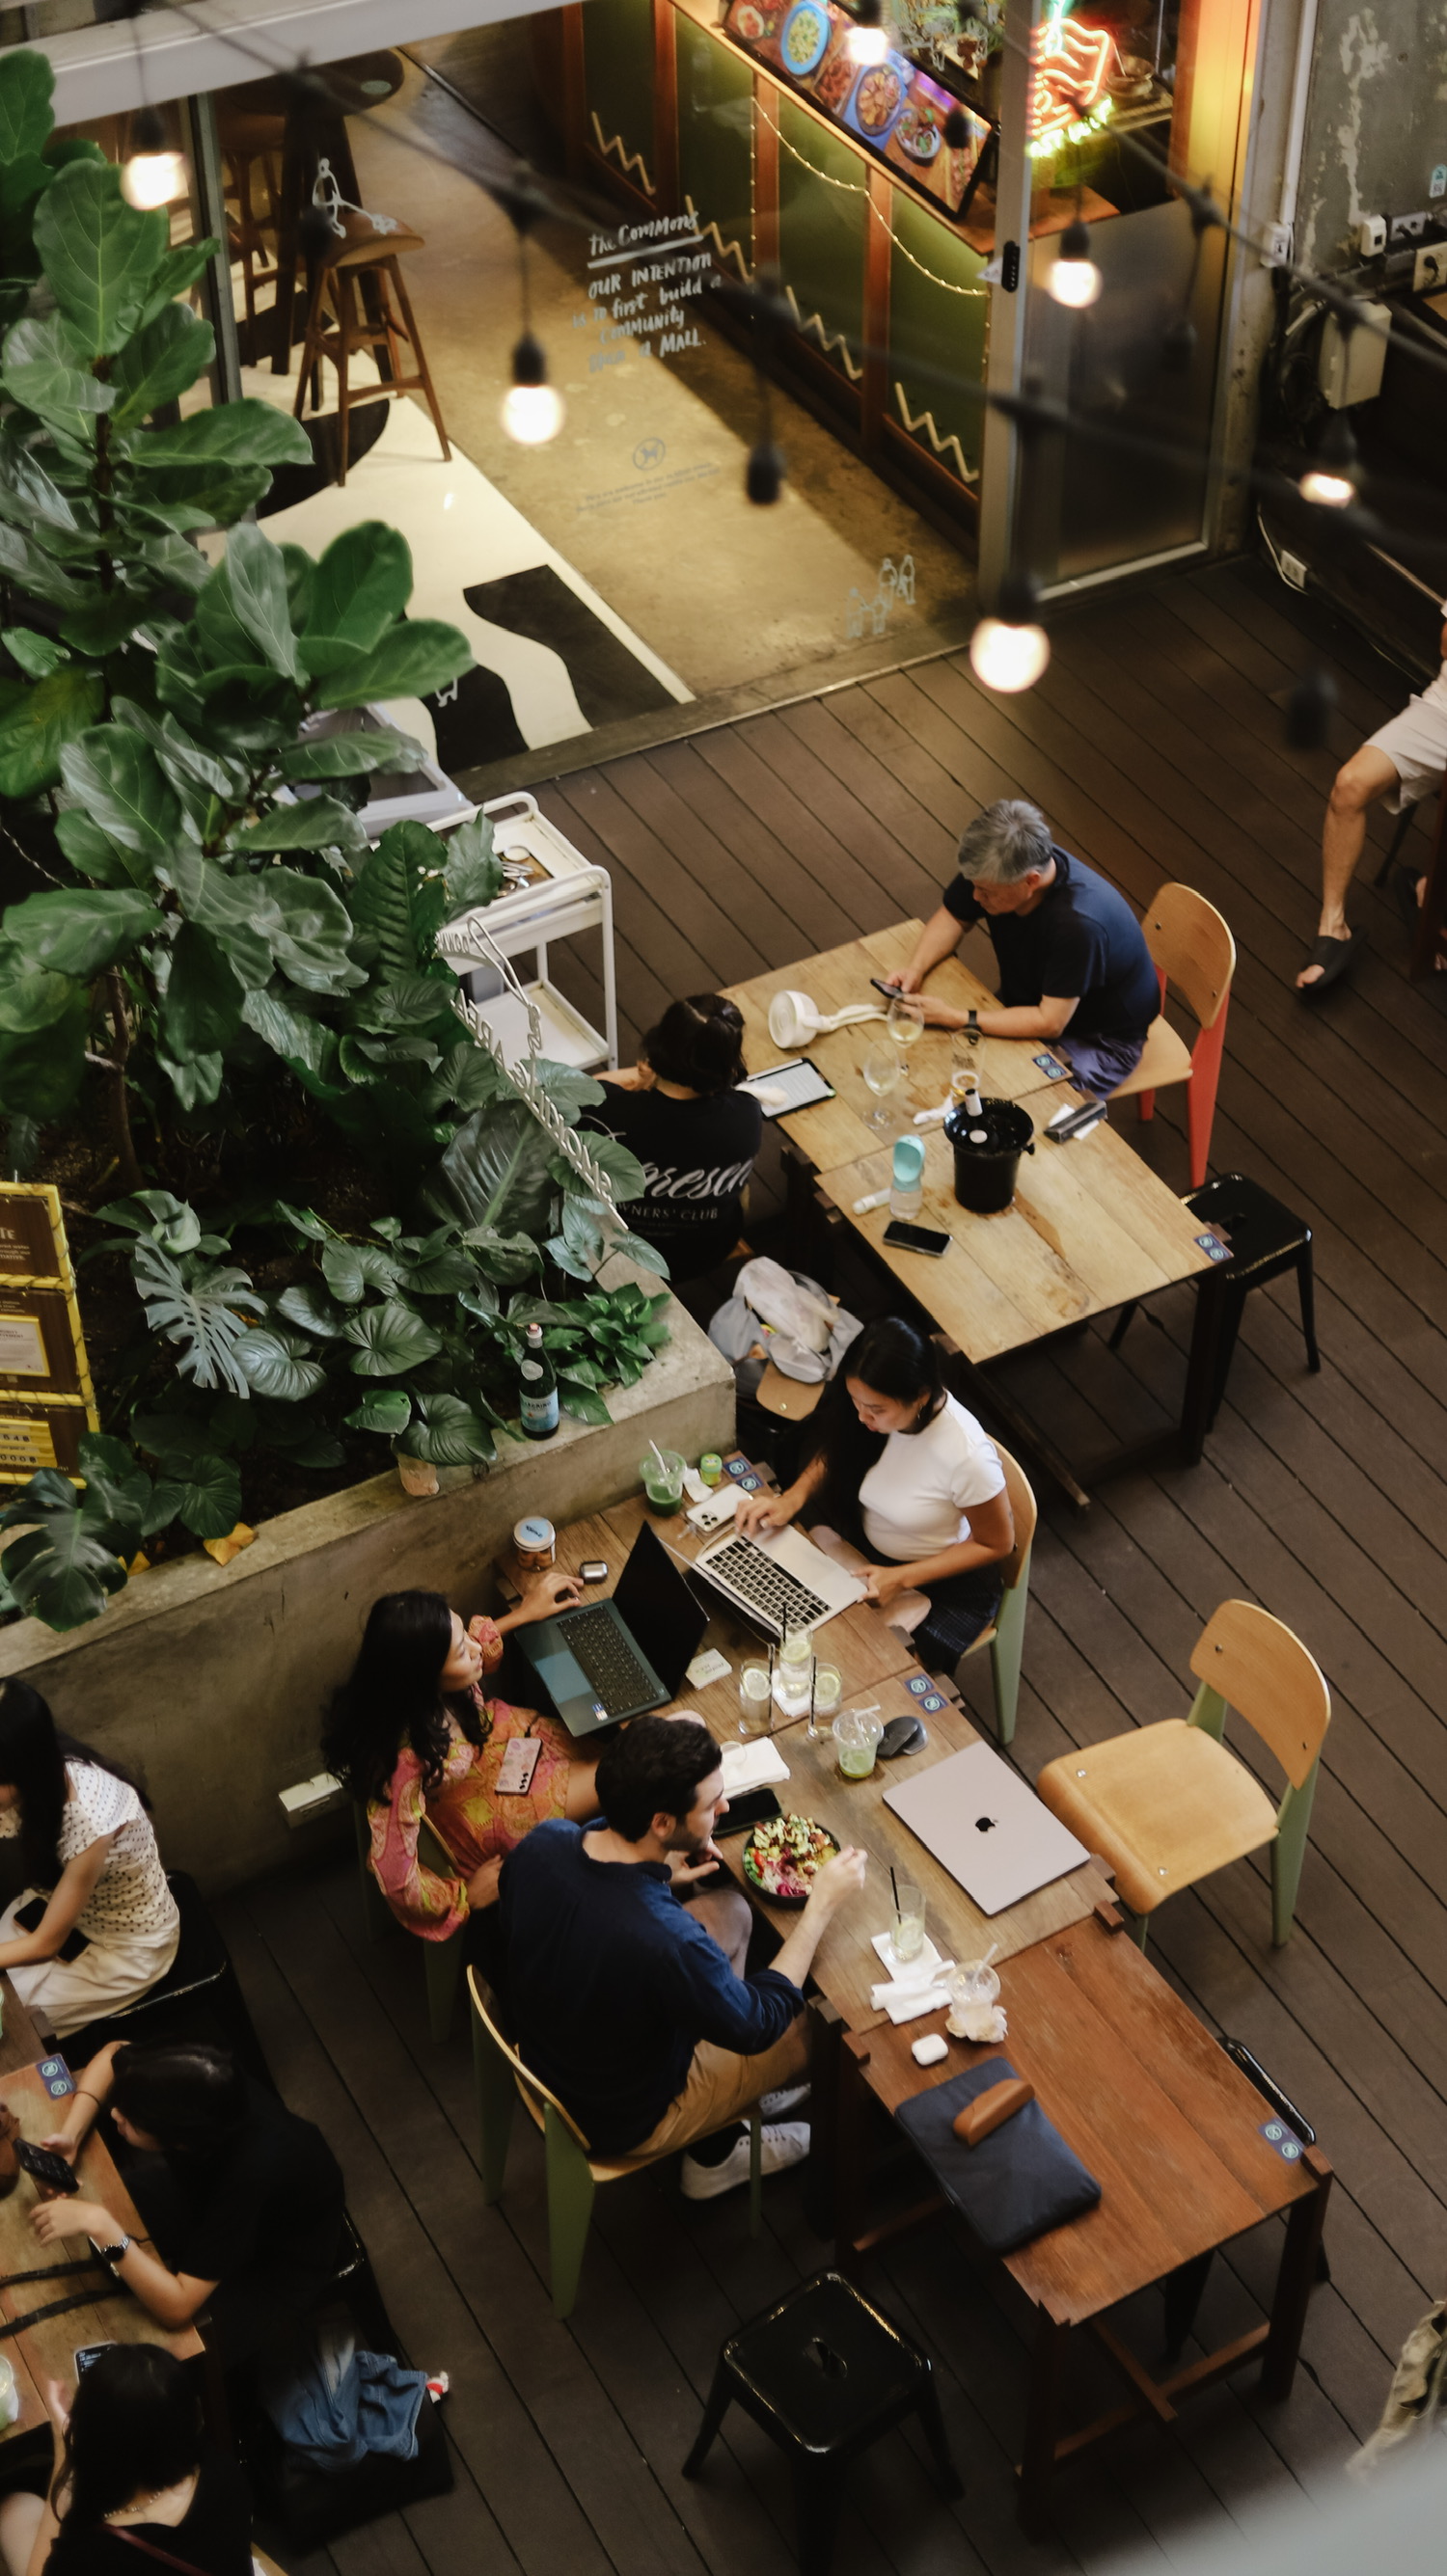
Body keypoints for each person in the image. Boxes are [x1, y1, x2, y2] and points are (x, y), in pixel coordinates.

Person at [499, 1715, 866, 2198]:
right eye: (712, 1805)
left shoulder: (543, 1842)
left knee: (734, 1912)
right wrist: (820, 1906)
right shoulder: (666, 1940)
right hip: (619, 2115)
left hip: (554, 2047)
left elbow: (589, 1899)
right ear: (661, 1822)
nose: (725, 1807)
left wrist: (660, 1869)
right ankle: (713, 2159)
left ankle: (737, 2093)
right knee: (823, 2027)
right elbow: (759, 2022)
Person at [29, 2038, 344, 2366]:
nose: (115, 2114)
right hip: (201, 2197)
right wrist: (73, 2134)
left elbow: (177, 2309)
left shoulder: (248, 2174)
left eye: (132, 2120)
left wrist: (100, 2225)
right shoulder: (192, 2074)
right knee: (90, 2235)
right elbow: (112, 2055)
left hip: (277, 2262)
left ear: (177, 2138)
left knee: (153, 2361)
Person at [323, 1576, 599, 1950]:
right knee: (618, 1773)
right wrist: (466, 1895)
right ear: (424, 1676)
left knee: (606, 1741)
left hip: (500, 1746)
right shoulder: (402, 1763)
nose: (475, 1647)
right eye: (459, 1651)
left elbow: (475, 1648)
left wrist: (524, 1612)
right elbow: (396, 1879)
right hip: (488, 1811)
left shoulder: (417, 1687)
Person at [737, 1317, 1013, 1670]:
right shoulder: (870, 1412)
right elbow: (839, 1450)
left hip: (942, 1582)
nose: (861, 1416)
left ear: (921, 1397)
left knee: (863, 1667)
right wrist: (792, 1497)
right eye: (855, 1401)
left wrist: (901, 1578)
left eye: (876, 1409)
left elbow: (997, 1544)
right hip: (869, 1545)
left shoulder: (968, 1456)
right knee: (784, 1604)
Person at [886, 798, 1159, 1098]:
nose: (975, 897)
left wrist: (956, 1018)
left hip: (1097, 1037)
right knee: (943, 1065)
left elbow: (1049, 1022)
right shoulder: (997, 862)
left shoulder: (1078, 926)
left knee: (1020, 1102)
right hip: (1032, 1000)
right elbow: (954, 915)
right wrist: (916, 969)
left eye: (985, 891)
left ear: (1031, 881)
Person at [0, 1682, 179, 2040]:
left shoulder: (89, 1821)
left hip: (123, 1946)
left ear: (23, 1769)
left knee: (12, 2022)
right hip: (60, 1906)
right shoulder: (42, 1764)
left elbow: (45, 1945)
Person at [1296, 604, 1447, 994]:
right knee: (1350, 784)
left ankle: (1431, 891)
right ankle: (1333, 926)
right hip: (1443, 711)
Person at [0, 2345, 252, 2576]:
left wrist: (64, 2460)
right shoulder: (225, 2473)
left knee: (12, 2508)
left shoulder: (92, 2556)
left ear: (93, 2445)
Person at [585, 993, 762, 1274]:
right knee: (742, 1183)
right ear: (729, 1063)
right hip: (704, 1254)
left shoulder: (606, 1109)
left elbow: (581, 1086)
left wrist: (642, 1075)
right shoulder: (747, 1114)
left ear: (657, 1045)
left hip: (612, 1248)